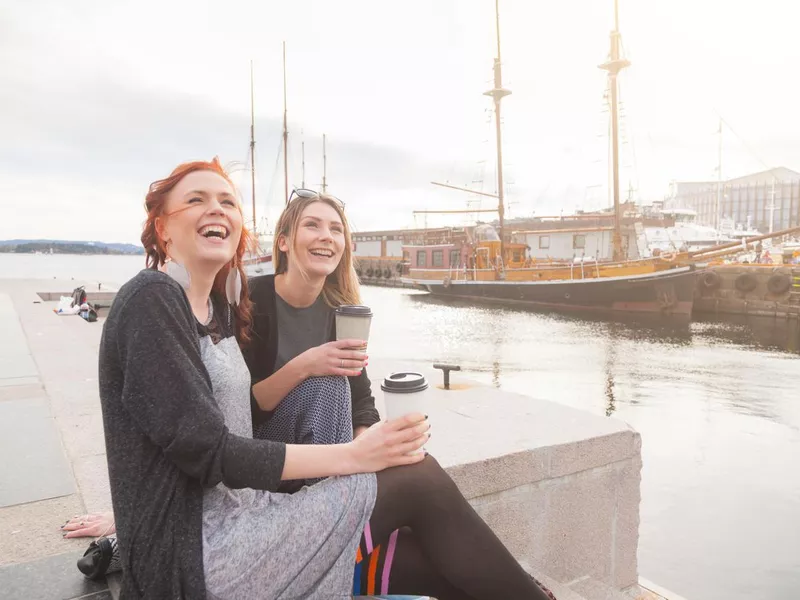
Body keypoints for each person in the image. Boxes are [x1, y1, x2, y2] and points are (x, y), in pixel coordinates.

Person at [96, 157, 555, 599]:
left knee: (435, 562)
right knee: (419, 479)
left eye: (228, 202)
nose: (216, 208)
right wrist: (354, 456)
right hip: (198, 556)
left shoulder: (213, 308)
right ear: (163, 228)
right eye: (196, 200)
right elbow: (206, 447)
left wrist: (374, 447)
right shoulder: (154, 297)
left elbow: (183, 432)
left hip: (245, 515)